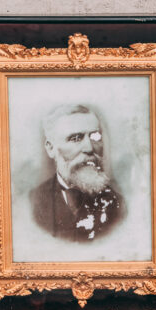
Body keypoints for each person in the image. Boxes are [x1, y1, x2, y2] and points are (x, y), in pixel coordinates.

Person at [29, 103, 122, 241]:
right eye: (76, 138)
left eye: (95, 137)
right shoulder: (32, 203)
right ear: (51, 148)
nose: (89, 148)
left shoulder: (118, 205)